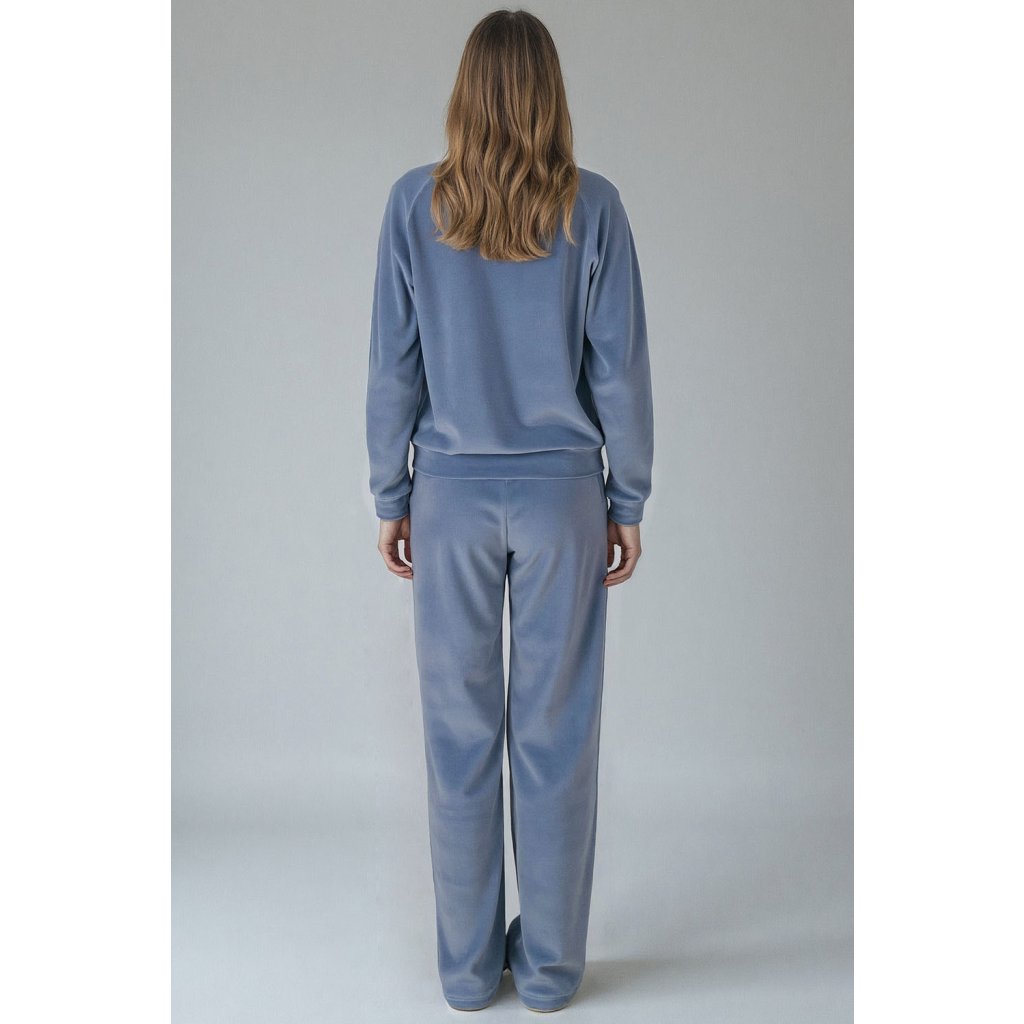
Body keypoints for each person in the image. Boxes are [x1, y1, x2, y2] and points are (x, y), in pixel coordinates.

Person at [364, 9, 654, 1013]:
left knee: (457, 737)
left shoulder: (414, 205)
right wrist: (627, 497)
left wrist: (391, 492)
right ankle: (552, 972)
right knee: (555, 734)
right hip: (562, 498)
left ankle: (463, 970)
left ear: (464, 92)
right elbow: (618, 370)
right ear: (550, 94)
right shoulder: (594, 207)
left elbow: (392, 367)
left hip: (447, 495)